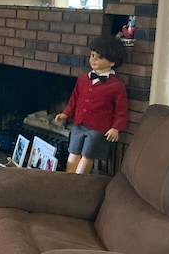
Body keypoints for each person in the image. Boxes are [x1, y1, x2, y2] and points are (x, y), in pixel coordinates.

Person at [54, 36, 128, 174]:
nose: (93, 59)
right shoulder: (83, 79)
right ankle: (67, 179)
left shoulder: (116, 85)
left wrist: (115, 128)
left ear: (112, 62)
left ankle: (79, 180)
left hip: (98, 128)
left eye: (99, 57)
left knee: (88, 155)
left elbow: (121, 110)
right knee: (73, 152)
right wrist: (66, 113)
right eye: (92, 55)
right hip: (79, 124)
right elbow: (74, 99)